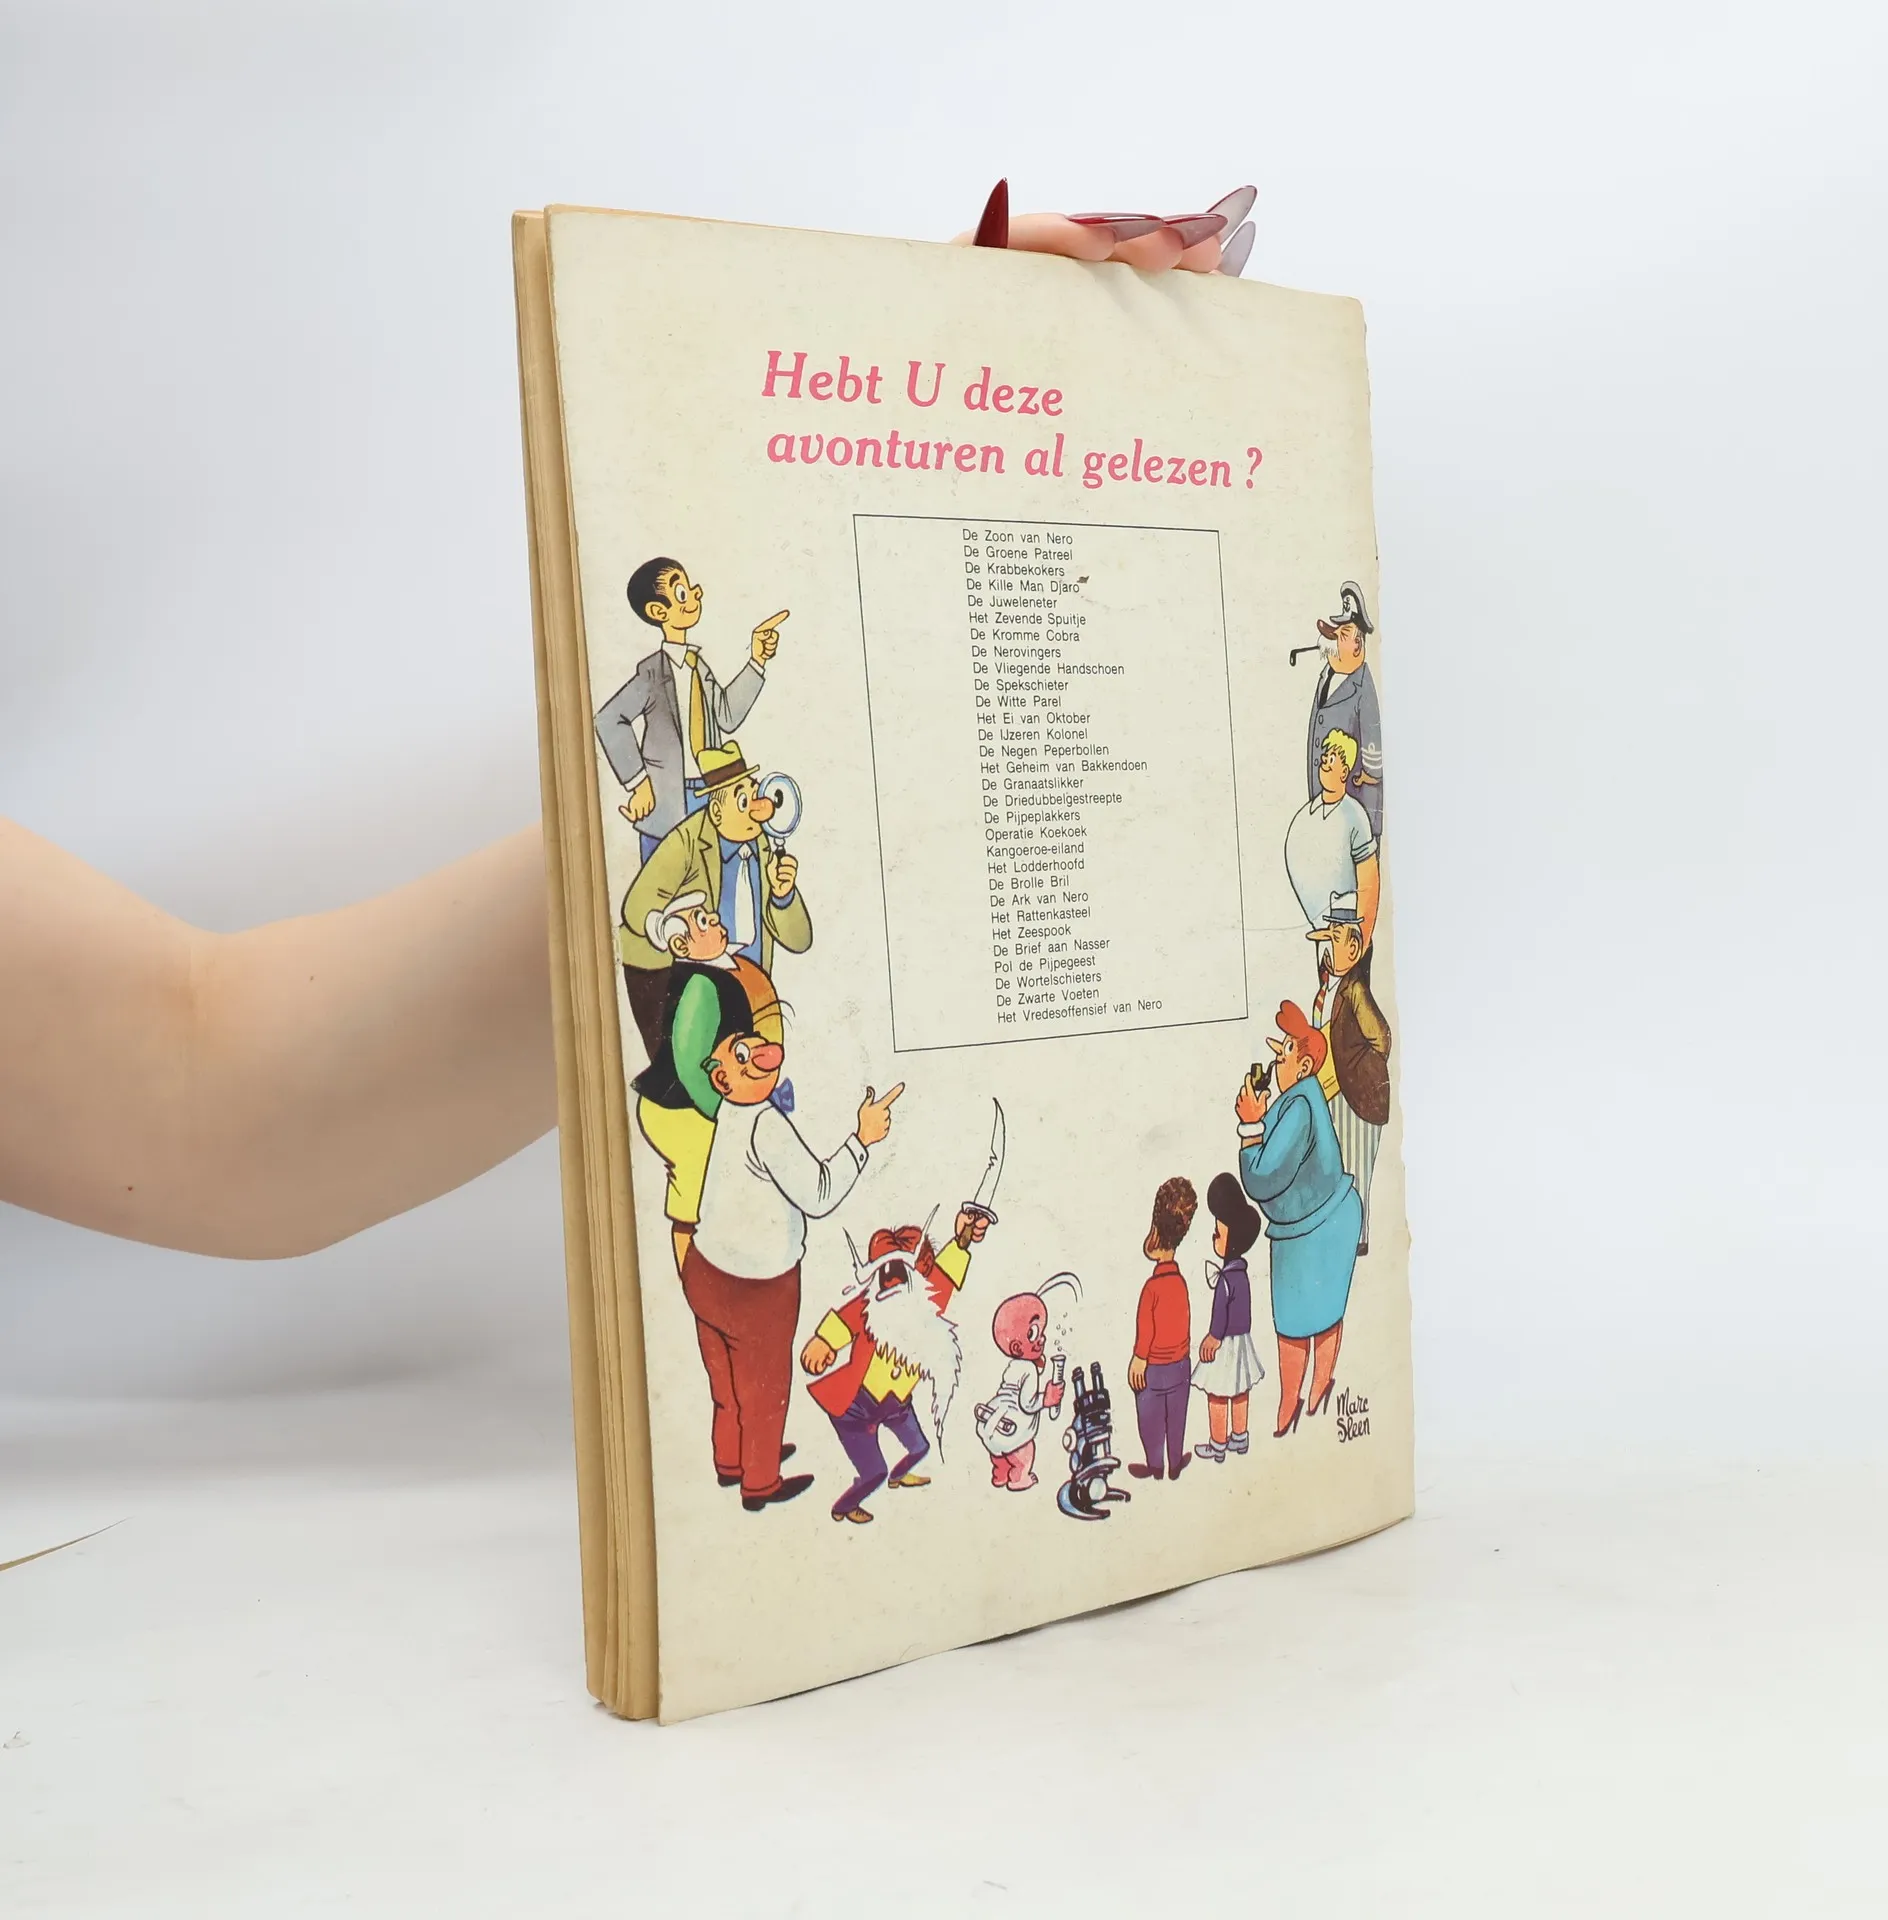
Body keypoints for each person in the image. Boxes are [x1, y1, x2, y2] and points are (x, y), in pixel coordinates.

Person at [0, 190, 1252, 1263]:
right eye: (685, 593)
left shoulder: (713, 721)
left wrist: (857, 550)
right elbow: (621, 733)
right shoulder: (657, 690)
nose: (692, 602)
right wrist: (652, 801)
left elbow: (210, 1097)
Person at [684, 1017, 902, 1512]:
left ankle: (733, 1460)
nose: (758, 1052)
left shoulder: (732, 1111)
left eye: (752, 1043)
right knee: (764, 1391)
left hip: (705, 1271)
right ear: (722, 1078)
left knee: (727, 1384)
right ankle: (759, 1483)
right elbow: (819, 1194)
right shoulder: (765, 1124)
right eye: (741, 1054)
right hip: (756, 1289)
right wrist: (862, 1140)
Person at [617, 741, 812, 1061]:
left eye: (754, 791)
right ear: (717, 812)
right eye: (744, 800)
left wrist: (783, 895)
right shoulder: (688, 840)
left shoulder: (763, 845)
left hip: (748, 987)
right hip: (683, 987)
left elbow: (800, 940)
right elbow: (636, 906)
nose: (757, 807)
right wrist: (676, 932)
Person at [799, 1209, 990, 1524]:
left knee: (920, 1448)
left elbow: (947, 1269)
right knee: (874, 1472)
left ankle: (898, 1477)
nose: (893, 1281)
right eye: (887, 1272)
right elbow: (843, 1321)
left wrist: (963, 1238)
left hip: (896, 1405)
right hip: (856, 1408)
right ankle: (843, 1507)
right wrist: (824, 1342)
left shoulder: (929, 1300)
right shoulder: (870, 1307)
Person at [593, 559, 788, 863]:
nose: (696, 593)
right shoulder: (652, 673)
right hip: (666, 805)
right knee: (663, 886)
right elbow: (609, 719)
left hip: (711, 795)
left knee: (711, 884)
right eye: (681, 592)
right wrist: (638, 782)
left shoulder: (699, 667)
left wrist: (757, 661)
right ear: (658, 612)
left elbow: (726, 716)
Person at [630, 889, 781, 1269]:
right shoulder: (700, 984)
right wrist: (719, 1114)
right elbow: (689, 1062)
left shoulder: (718, 975)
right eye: (702, 921)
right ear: (682, 945)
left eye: (710, 915)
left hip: (693, 1104)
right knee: (694, 1195)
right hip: (679, 1107)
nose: (715, 919)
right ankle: (689, 1274)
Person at [1236, 1003, 1363, 1437]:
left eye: (1286, 1050)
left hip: (1315, 1230)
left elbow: (1263, 1177)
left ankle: (1296, 1403)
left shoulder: (1300, 1107)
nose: (1277, 1058)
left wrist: (1250, 1126)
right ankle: (1312, 1395)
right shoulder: (1300, 1097)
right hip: (1324, 1223)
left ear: (1305, 1065)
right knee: (1321, 1316)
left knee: (1295, 1324)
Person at [1307, 893, 1392, 1256]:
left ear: (1354, 947)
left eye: (1335, 939)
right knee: (1337, 1169)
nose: (1328, 947)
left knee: (1354, 1171)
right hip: (1336, 1094)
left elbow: (1382, 1039)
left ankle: (1356, 1240)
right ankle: (1345, 1236)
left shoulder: (1355, 989)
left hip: (1357, 1099)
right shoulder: (1332, 986)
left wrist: (1357, 1069)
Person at [1191, 1172, 1266, 1462]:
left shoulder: (1225, 1279)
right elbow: (1245, 1313)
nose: (1214, 1238)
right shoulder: (1242, 1274)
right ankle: (1240, 1437)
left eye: (1218, 1234)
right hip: (1241, 1342)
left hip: (1224, 1343)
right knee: (1240, 1390)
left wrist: (1213, 1337)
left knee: (1218, 1393)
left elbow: (1220, 1314)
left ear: (1230, 1240)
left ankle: (1218, 1443)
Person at [1127, 1176, 1197, 1482]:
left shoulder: (1152, 1288)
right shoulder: (1180, 1283)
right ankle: (1174, 1463)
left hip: (1154, 1369)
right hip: (1180, 1366)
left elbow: (1146, 1329)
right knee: (1176, 1419)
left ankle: (1156, 1466)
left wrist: (1139, 1358)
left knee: (1151, 1420)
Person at [1303, 581, 1384, 843]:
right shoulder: (1327, 675)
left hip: (1354, 817)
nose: (1332, 640)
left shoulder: (1363, 688)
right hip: (1324, 807)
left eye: (1341, 635)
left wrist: (1369, 775)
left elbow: (1373, 756)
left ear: (1357, 645)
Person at [1283, 729, 1380, 945]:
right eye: (1325, 757)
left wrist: (1360, 941)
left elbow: (1369, 882)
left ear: (1344, 772)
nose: (1324, 762)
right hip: (1317, 933)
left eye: (1332, 759)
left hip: (1346, 936)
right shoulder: (1305, 814)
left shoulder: (1355, 815)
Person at [974, 1280, 1072, 1491]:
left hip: (992, 1422)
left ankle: (1000, 1473)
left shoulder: (1015, 1365)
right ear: (1018, 1347)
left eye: (1042, 1331)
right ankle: (1019, 1478)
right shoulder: (1028, 1370)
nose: (1042, 1339)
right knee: (1025, 1453)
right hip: (1012, 1429)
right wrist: (1046, 1399)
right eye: (1034, 1334)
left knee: (1000, 1455)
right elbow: (1027, 1404)